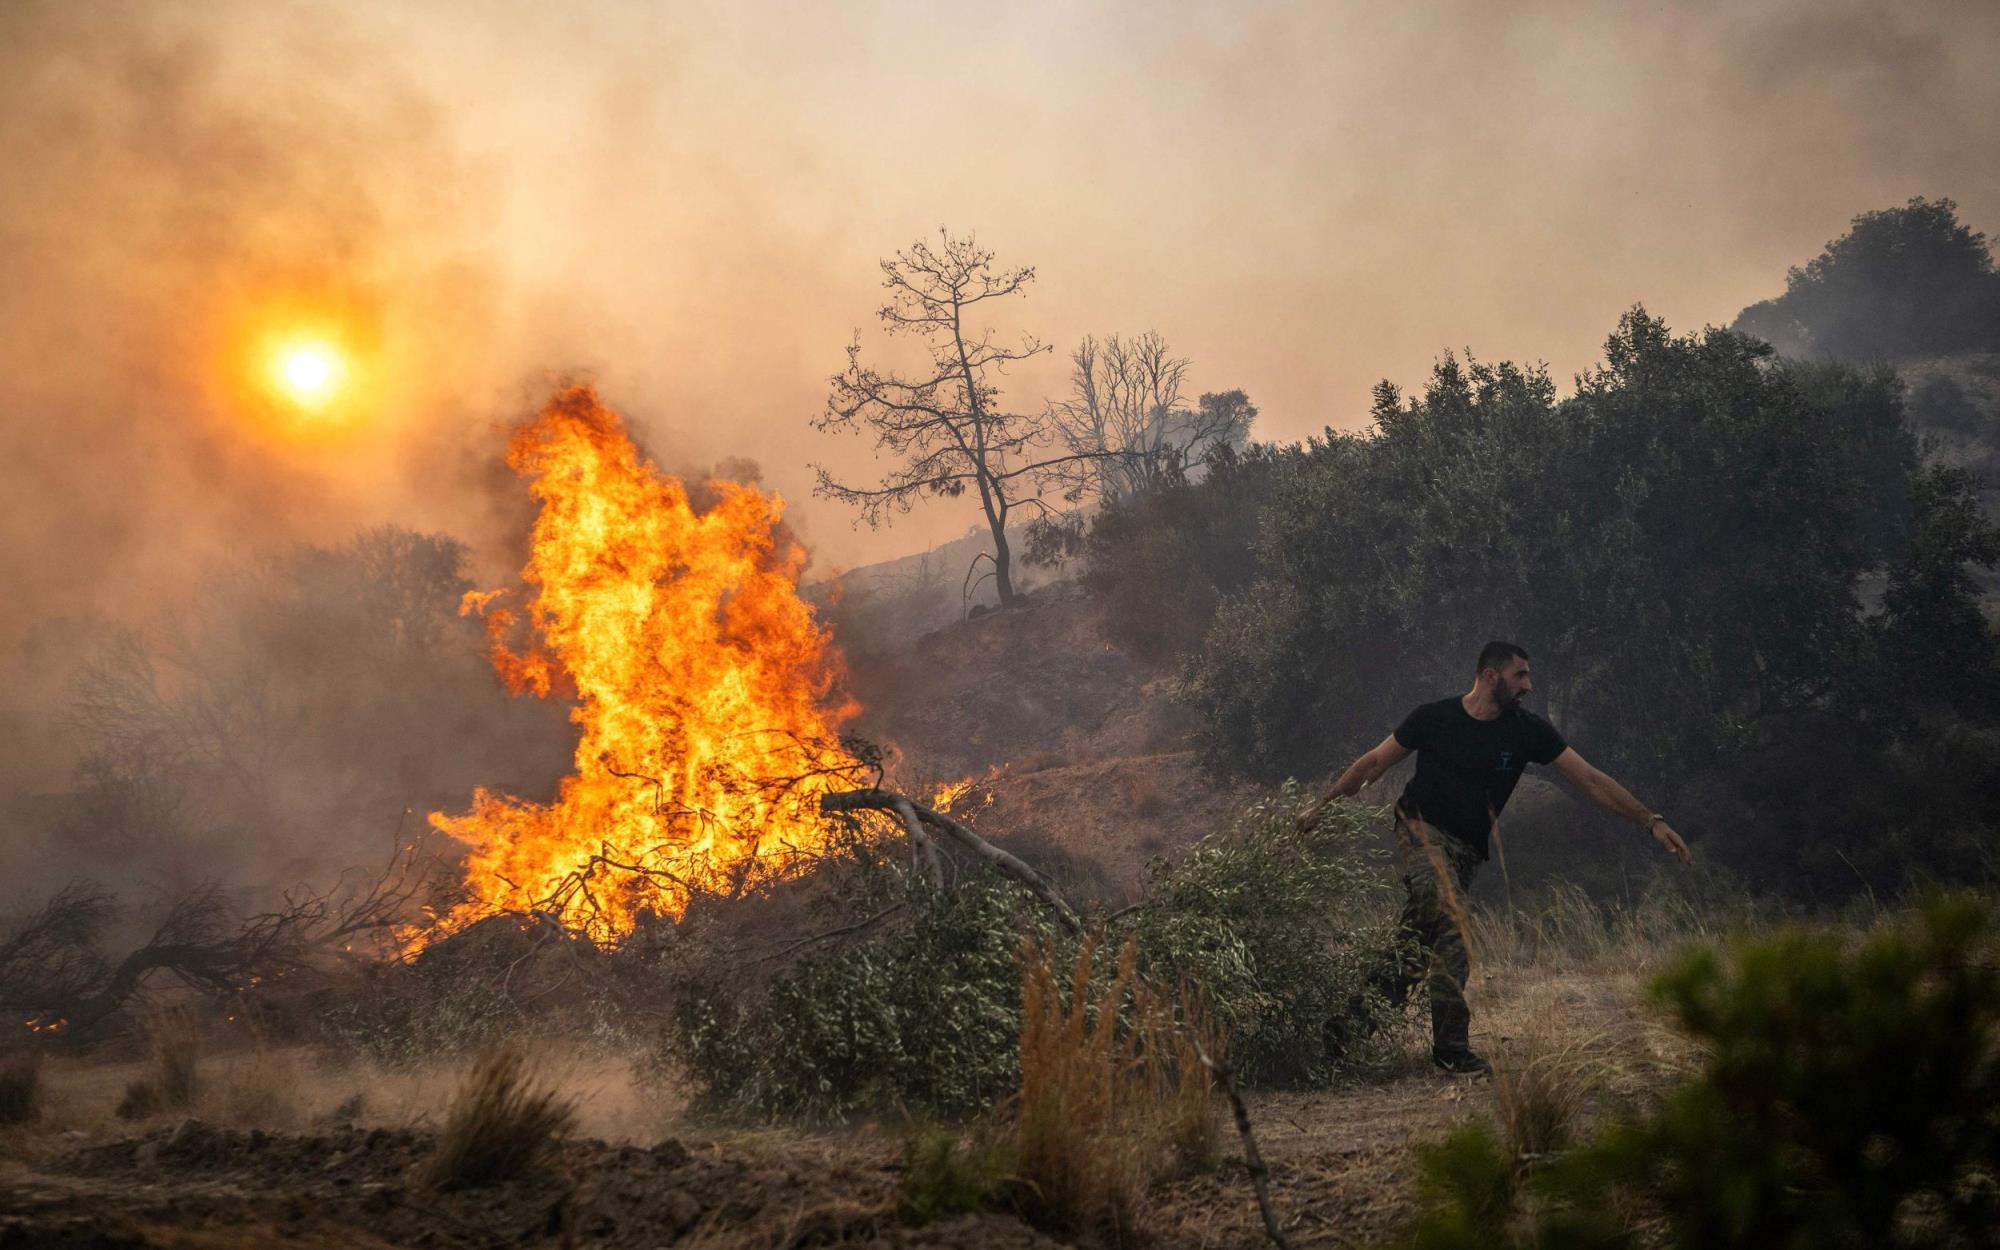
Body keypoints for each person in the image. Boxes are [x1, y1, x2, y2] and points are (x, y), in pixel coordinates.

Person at [1296, 641, 1692, 1075]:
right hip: (1419, 830)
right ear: (1490, 676)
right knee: (1452, 925)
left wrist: (1649, 820)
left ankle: (1342, 1034)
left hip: (1467, 852)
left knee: (1413, 947)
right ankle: (1451, 1049)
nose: (1529, 685)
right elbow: (1373, 764)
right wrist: (1320, 808)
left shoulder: (1527, 732)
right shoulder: (1434, 717)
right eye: (1520, 675)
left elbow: (1592, 781)